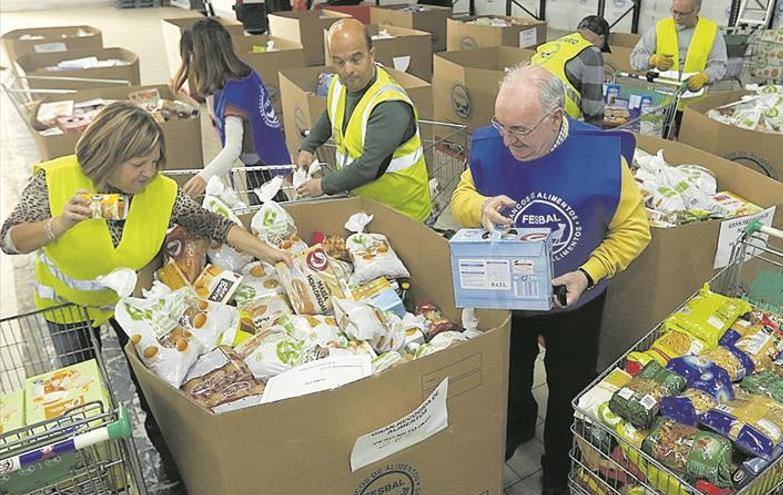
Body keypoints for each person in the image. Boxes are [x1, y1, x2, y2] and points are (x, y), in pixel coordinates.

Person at [0, 101, 291, 482]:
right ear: (109, 155)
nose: (149, 172)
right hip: (67, 309)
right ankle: (98, 479)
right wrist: (58, 223)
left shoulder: (161, 191)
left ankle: (172, 472)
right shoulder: (56, 179)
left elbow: (213, 224)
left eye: (155, 161)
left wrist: (271, 253)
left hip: (131, 307)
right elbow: (9, 239)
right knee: (84, 402)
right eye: (139, 163)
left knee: (153, 390)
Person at [450, 65, 651, 495]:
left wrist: (588, 272)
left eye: (520, 130)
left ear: (556, 118)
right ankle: (519, 425)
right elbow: (461, 197)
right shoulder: (491, 148)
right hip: (509, 295)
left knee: (568, 390)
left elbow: (636, 230)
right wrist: (481, 207)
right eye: (500, 126)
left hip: (575, 300)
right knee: (510, 375)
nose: (508, 141)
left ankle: (558, 466)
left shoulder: (601, 158)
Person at [294, 18, 432, 222]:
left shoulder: (389, 105)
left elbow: (369, 167)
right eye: (339, 62)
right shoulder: (340, 85)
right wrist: (308, 146)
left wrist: (322, 185)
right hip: (365, 208)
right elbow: (331, 114)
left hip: (402, 213)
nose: (348, 70)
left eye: (356, 59)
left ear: (372, 55)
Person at [172, 17, 291, 201]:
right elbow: (212, 95)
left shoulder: (233, 98)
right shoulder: (242, 72)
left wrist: (203, 177)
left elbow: (232, 149)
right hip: (270, 147)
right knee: (269, 198)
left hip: (259, 160)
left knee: (266, 204)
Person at [630, 0, 728, 93]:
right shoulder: (660, 28)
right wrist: (651, 60)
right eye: (674, 11)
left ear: (697, 10)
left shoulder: (711, 31)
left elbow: (719, 65)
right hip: (660, 99)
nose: (677, 17)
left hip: (692, 103)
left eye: (683, 14)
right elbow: (635, 58)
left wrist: (706, 77)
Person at [531, 15, 611, 126]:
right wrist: (594, 133)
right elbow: (592, 104)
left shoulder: (554, 44)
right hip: (553, 120)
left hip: (525, 110)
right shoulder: (592, 52)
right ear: (601, 39)